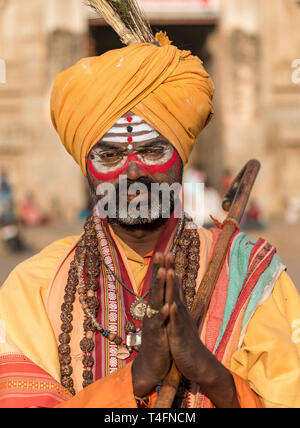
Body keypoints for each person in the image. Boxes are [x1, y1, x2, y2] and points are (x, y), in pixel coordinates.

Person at [1, 8, 300, 409]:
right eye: (109, 155)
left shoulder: (252, 277)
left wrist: (211, 374)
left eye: (153, 150)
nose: (134, 173)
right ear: (87, 169)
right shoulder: (33, 288)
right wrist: (138, 377)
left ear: (180, 157)